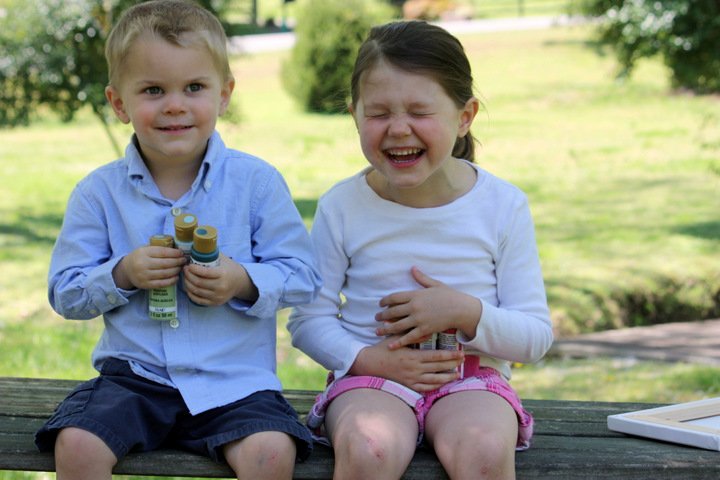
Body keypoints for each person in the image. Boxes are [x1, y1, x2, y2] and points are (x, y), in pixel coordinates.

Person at [35, 1, 321, 479]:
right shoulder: (99, 193)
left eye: (194, 87)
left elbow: (305, 276)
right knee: (78, 445)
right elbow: (65, 291)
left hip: (235, 383)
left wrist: (242, 281)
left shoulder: (256, 184)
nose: (174, 104)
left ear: (224, 94)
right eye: (153, 90)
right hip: (135, 379)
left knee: (271, 452)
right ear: (119, 103)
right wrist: (121, 274)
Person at [288, 20, 553, 480]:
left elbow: (534, 337)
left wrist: (465, 312)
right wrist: (370, 360)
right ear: (354, 115)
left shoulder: (501, 205)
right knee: (368, 447)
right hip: (371, 380)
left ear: (464, 115)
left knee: (485, 452)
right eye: (378, 113)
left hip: (471, 380)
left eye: (418, 111)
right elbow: (309, 320)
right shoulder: (343, 206)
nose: (398, 129)